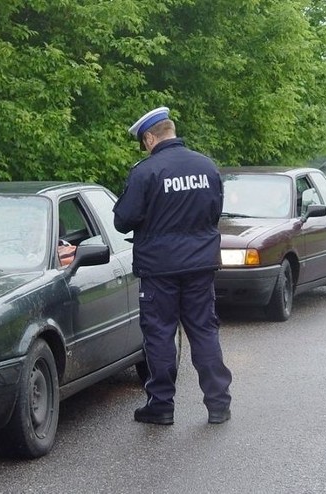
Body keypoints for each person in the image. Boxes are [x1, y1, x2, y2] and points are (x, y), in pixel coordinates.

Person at [113, 106, 232, 425]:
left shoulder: (146, 172)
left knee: (160, 335)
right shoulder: (206, 166)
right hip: (200, 265)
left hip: (159, 269)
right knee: (204, 331)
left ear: (151, 137)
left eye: (143, 142)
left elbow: (123, 221)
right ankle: (219, 404)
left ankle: (161, 406)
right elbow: (214, 211)